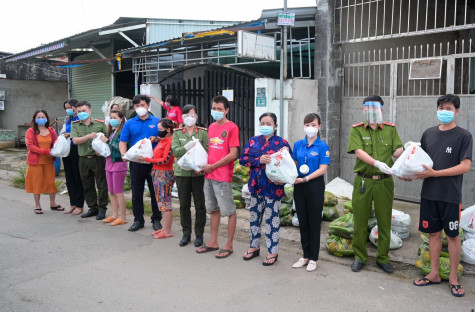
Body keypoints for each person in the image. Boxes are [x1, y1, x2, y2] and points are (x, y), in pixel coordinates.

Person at [411, 94, 472, 297]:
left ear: (457, 111)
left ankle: (453, 278)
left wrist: (435, 174)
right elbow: (420, 161)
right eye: (440, 107)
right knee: (433, 234)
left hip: (450, 196)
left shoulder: (463, 136)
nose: (443, 111)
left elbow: (465, 166)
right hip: (429, 194)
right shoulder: (428, 134)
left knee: (453, 236)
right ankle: (434, 273)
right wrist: (409, 174)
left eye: (448, 108)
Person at [347, 95, 404, 274]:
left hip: (384, 182)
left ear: (382, 110)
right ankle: (359, 257)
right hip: (364, 180)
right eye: (367, 109)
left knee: (384, 220)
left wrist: (407, 148)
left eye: (375, 108)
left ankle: (383, 258)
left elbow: (396, 153)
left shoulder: (390, 129)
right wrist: (376, 163)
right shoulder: (356, 130)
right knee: (360, 220)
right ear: (363, 110)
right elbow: (358, 152)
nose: (371, 112)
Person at [239, 112, 291, 266]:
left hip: (273, 188)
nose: (265, 126)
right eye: (263, 123)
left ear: (275, 126)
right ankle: (254, 247)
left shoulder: (282, 143)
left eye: (269, 124)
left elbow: (289, 164)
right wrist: (258, 160)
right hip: (255, 187)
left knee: (272, 220)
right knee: (254, 218)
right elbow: (243, 159)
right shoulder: (254, 141)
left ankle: (272, 251)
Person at [196, 95, 239, 259]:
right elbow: (210, 151)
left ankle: (229, 244)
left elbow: (232, 154)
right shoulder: (211, 127)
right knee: (213, 209)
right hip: (209, 175)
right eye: (214, 108)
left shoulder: (232, 127)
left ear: (226, 110)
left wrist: (213, 166)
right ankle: (213, 242)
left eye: (220, 109)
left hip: (222, 177)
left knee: (229, 211)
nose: (216, 111)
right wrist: (201, 166)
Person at [290, 113, 330, 272]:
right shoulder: (298, 144)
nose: (310, 128)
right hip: (299, 185)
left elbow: (323, 169)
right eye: (307, 125)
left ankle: (314, 257)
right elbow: (293, 163)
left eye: (313, 125)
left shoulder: (322, 146)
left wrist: (306, 179)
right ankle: (305, 255)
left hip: (314, 185)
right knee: (303, 220)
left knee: (314, 221)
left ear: (319, 126)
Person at [119, 94, 162, 232]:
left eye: (142, 105)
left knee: (155, 192)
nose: (140, 108)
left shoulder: (157, 121)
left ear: (148, 106)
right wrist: (123, 154)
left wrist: (157, 139)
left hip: (153, 162)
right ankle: (138, 220)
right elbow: (123, 142)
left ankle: (156, 219)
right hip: (136, 163)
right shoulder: (129, 123)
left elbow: (167, 139)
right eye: (137, 106)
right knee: (136, 192)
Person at [171, 104, 208, 247]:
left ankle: (199, 234)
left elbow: (207, 152)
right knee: (184, 205)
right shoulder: (178, 133)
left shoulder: (203, 133)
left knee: (200, 205)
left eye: (192, 115)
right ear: (182, 118)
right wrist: (186, 147)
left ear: (196, 117)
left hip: (198, 174)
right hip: (182, 173)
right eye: (186, 115)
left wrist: (201, 167)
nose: (189, 118)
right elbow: (175, 151)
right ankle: (186, 233)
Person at [70, 101, 109, 220]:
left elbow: (107, 139)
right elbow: (75, 141)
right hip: (83, 159)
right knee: (87, 184)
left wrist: (102, 148)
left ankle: (102, 209)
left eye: (84, 111)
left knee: (102, 184)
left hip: (98, 159)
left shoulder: (100, 124)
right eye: (79, 111)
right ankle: (92, 208)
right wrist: (89, 136)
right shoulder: (75, 125)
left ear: (90, 111)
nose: (81, 113)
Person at [138, 118, 175, 238]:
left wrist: (147, 159)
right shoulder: (163, 140)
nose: (158, 132)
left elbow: (165, 159)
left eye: (160, 129)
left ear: (168, 130)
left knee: (165, 202)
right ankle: (164, 228)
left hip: (165, 174)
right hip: (157, 173)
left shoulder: (170, 141)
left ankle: (168, 230)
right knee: (161, 202)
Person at [25, 109, 63, 214]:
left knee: (51, 183)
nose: (41, 119)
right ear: (35, 119)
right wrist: (46, 151)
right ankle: (37, 205)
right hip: (36, 162)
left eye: (43, 117)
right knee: (37, 183)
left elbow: (56, 143)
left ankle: (53, 203)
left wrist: (58, 150)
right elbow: (30, 146)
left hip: (49, 162)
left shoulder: (51, 130)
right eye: (38, 117)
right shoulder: (31, 131)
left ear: (46, 118)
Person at [101, 110, 128, 226]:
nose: (112, 120)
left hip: (118, 163)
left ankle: (123, 217)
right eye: (110, 117)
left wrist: (107, 142)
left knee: (118, 191)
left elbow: (121, 148)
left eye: (115, 117)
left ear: (121, 119)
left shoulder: (123, 132)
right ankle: (114, 215)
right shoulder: (112, 131)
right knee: (111, 192)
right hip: (109, 163)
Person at [60, 99, 85, 215]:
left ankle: (80, 205)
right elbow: (62, 132)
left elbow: (83, 134)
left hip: (76, 149)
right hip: (66, 150)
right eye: (66, 108)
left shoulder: (81, 119)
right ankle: (72, 203)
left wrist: (70, 134)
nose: (68, 110)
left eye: (69, 107)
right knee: (69, 178)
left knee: (77, 177)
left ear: (76, 107)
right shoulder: (68, 120)